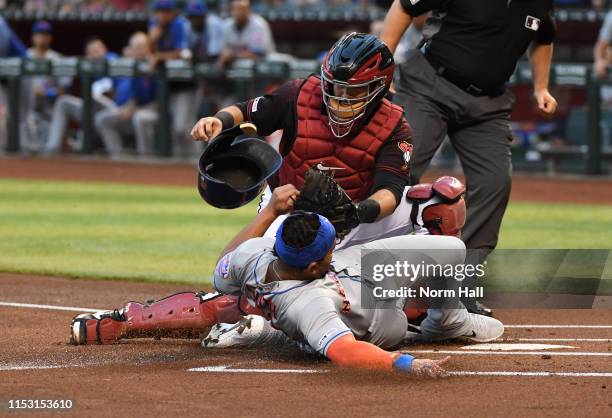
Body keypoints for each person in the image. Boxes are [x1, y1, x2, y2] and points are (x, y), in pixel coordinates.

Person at [69, 186, 504, 378]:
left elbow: (223, 266)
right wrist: (405, 365)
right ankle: (440, 322)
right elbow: (347, 353)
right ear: (315, 264)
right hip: (370, 310)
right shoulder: (308, 306)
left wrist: (268, 212)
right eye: (328, 243)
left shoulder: (258, 253)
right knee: (440, 264)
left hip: (349, 274)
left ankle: (443, 319)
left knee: (450, 249)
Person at [380, 0, 559, 316]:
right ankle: (373, 276)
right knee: (400, 171)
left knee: (494, 182)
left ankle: (457, 289)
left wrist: (541, 87)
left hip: (488, 103)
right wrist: (383, 62)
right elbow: (405, 6)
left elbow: (544, 36)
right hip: (429, 86)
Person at [44, 37, 119, 154]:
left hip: (112, 109)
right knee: (63, 102)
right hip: (92, 111)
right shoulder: (88, 69)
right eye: (91, 52)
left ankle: (114, 154)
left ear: (105, 50)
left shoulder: (113, 60)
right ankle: (52, 148)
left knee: (94, 98)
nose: (95, 54)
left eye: (97, 50)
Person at [94, 32, 157, 157]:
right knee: (103, 119)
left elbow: (163, 101)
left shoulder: (156, 63)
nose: (137, 51)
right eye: (135, 48)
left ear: (149, 47)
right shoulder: (135, 68)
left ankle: (147, 160)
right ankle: (119, 158)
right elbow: (136, 97)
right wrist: (130, 106)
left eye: (141, 47)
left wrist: (135, 108)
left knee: (140, 117)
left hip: (157, 112)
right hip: (137, 110)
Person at [217, 0, 275, 67]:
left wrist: (233, 56)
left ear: (249, 11)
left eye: (243, 10)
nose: (240, 13)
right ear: (232, 11)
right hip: (235, 65)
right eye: (237, 10)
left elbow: (258, 53)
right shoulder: (226, 25)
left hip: (262, 65)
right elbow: (223, 49)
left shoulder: (259, 25)